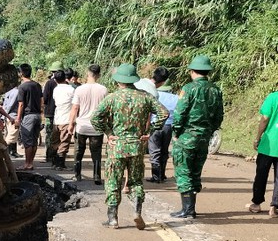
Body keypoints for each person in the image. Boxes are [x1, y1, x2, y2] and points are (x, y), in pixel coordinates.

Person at [90, 63, 168, 229]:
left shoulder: (112, 98)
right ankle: (137, 211)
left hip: (116, 146)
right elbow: (164, 113)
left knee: (113, 181)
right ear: (134, 80)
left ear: (118, 81)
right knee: (135, 181)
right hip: (137, 146)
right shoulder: (145, 96)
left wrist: (108, 132)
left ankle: (112, 218)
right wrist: (151, 130)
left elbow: (95, 118)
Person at [171, 54, 223, 219]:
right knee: (195, 172)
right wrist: (209, 130)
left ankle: (187, 209)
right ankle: (190, 208)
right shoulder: (216, 90)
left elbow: (180, 113)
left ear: (192, 71)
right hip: (204, 137)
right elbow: (219, 116)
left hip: (187, 136)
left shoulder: (188, 89)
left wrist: (176, 133)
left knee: (183, 171)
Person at [68, 64, 108, 183]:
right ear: (99, 75)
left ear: (87, 74)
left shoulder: (80, 89)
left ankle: (77, 174)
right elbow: (106, 109)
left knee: (79, 150)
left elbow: (75, 108)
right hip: (97, 127)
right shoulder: (103, 89)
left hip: (82, 126)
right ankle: (97, 176)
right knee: (96, 152)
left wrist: (71, 124)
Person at [247, 87, 278, 216]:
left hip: (268, 145)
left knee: (261, 174)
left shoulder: (273, 97)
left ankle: (256, 204)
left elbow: (265, 118)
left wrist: (257, 138)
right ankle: (274, 207)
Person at [144, 67, 179, 183]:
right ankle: (162, 174)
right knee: (164, 150)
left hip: (155, 125)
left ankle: (156, 176)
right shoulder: (176, 98)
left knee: (154, 150)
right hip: (168, 127)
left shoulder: (152, 94)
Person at [14, 63, 43, 171]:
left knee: (27, 141)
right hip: (37, 115)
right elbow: (41, 101)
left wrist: (18, 118)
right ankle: (31, 163)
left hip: (28, 116)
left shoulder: (22, 87)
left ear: (21, 73)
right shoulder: (37, 85)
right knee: (34, 140)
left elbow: (21, 104)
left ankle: (27, 163)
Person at [51, 69, 77, 167]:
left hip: (57, 119)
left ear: (55, 80)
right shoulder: (71, 89)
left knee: (55, 141)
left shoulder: (56, 89)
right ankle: (60, 163)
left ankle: (54, 162)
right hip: (67, 119)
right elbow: (75, 104)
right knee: (65, 141)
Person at [42, 62, 63, 165]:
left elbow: (45, 98)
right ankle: (57, 156)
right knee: (58, 135)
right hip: (60, 113)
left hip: (49, 113)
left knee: (49, 135)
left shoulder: (49, 83)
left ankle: (49, 156)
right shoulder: (64, 84)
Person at [0, 84, 21, 157]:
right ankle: (3, 150)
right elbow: (10, 105)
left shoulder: (8, 91)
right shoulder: (16, 92)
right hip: (12, 116)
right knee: (12, 135)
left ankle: (12, 152)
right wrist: (7, 115)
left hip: (8, 116)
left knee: (11, 134)